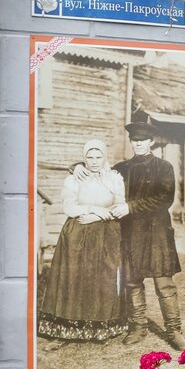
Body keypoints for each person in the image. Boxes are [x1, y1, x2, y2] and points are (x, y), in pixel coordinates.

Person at [38, 139, 127, 343]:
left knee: (103, 277)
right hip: (78, 232)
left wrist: (97, 216)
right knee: (75, 278)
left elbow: (120, 206)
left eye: (98, 157)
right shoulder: (74, 179)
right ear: (84, 158)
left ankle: (100, 327)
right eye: (90, 157)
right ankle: (71, 326)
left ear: (104, 157)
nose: (94, 161)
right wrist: (93, 209)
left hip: (106, 232)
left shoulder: (115, 178)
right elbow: (70, 207)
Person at [109, 121, 185, 349]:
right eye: (135, 140)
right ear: (130, 141)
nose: (138, 144)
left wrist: (130, 207)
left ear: (151, 142)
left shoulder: (164, 167)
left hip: (157, 234)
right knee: (132, 282)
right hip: (130, 234)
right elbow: (98, 178)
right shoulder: (120, 169)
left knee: (164, 283)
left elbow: (164, 199)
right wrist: (77, 168)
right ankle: (138, 326)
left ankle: (174, 331)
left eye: (143, 140)